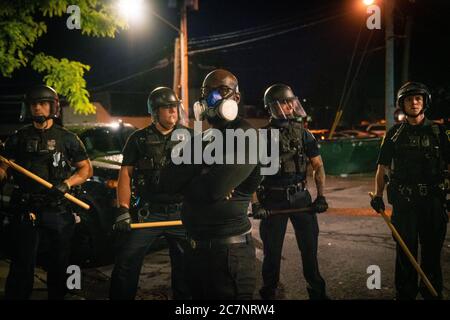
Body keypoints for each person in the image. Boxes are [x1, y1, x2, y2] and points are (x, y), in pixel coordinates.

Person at [170, 69, 263, 299]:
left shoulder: (246, 135)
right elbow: (167, 182)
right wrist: (207, 175)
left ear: (236, 98)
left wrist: (194, 178)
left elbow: (211, 190)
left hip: (228, 255)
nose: (214, 97)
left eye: (222, 90)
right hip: (194, 251)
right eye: (208, 91)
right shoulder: (203, 138)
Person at [0, 84, 93, 300]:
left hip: (57, 211)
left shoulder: (67, 138)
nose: (37, 108)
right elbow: (4, 168)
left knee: (59, 265)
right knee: (22, 265)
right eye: (34, 104)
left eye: (42, 104)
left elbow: (86, 169)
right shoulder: (17, 138)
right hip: (25, 209)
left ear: (53, 107)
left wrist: (67, 184)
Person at [109, 87, 191, 300]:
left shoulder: (191, 137)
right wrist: (123, 210)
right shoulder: (138, 139)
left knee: (188, 268)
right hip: (148, 213)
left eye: (175, 107)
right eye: (167, 108)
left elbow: (203, 173)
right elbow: (125, 174)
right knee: (126, 263)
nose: (173, 112)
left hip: (181, 214)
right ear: (155, 112)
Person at [371, 81, 449, 300]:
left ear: (424, 102)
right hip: (405, 204)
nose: (414, 103)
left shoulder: (439, 131)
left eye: (418, 99)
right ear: (401, 104)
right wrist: (378, 195)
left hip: (433, 202)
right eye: (409, 99)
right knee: (405, 255)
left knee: (432, 253)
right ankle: (405, 295)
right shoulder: (394, 134)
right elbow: (382, 167)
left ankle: (432, 294)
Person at [252, 83, 329, 300]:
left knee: (309, 250)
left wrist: (321, 196)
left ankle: (318, 293)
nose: (289, 106)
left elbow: (318, 166)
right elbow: (252, 174)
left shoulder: (304, 134)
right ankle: (268, 295)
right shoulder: (261, 137)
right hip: (273, 200)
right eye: (284, 102)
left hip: (301, 198)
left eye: (290, 102)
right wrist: (256, 203)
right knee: (272, 255)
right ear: (272, 107)